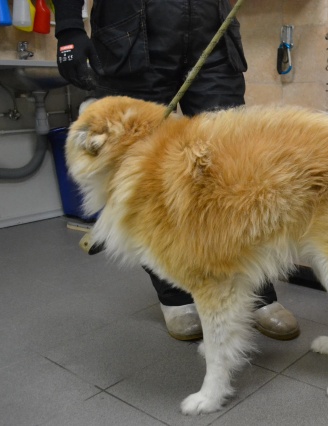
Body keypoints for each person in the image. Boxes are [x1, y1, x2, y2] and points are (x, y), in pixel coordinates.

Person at [53, 0, 299, 341]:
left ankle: (257, 290)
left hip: (210, 30)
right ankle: (175, 295)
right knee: (144, 180)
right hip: (129, 34)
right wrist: (68, 26)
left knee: (236, 172)